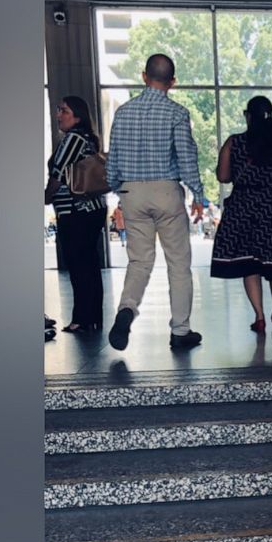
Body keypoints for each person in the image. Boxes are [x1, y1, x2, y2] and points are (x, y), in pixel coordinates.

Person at [104, 53, 205, 352]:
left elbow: (114, 161)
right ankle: (180, 330)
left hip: (132, 192)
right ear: (172, 82)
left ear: (144, 76)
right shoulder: (177, 113)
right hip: (166, 191)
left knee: (139, 262)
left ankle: (127, 309)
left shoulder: (123, 113)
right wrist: (197, 194)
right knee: (178, 264)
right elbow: (187, 158)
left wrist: (117, 190)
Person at [210, 95, 272, 333]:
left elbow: (223, 176)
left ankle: (259, 315)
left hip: (243, 207)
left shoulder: (234, 143)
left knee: (250, 263)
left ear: (248, 116)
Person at [45, 95, 107, 334]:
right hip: (90, 210)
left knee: (79, 265)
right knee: (89, 264)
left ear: (78, 116)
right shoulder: (88, 140)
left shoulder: (72, 139)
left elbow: (58, 175)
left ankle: (81, 318)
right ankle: (91, 317)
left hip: (76, 211)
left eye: (64, 111)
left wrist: (46, 196)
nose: (58, 114)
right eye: (59, 110)